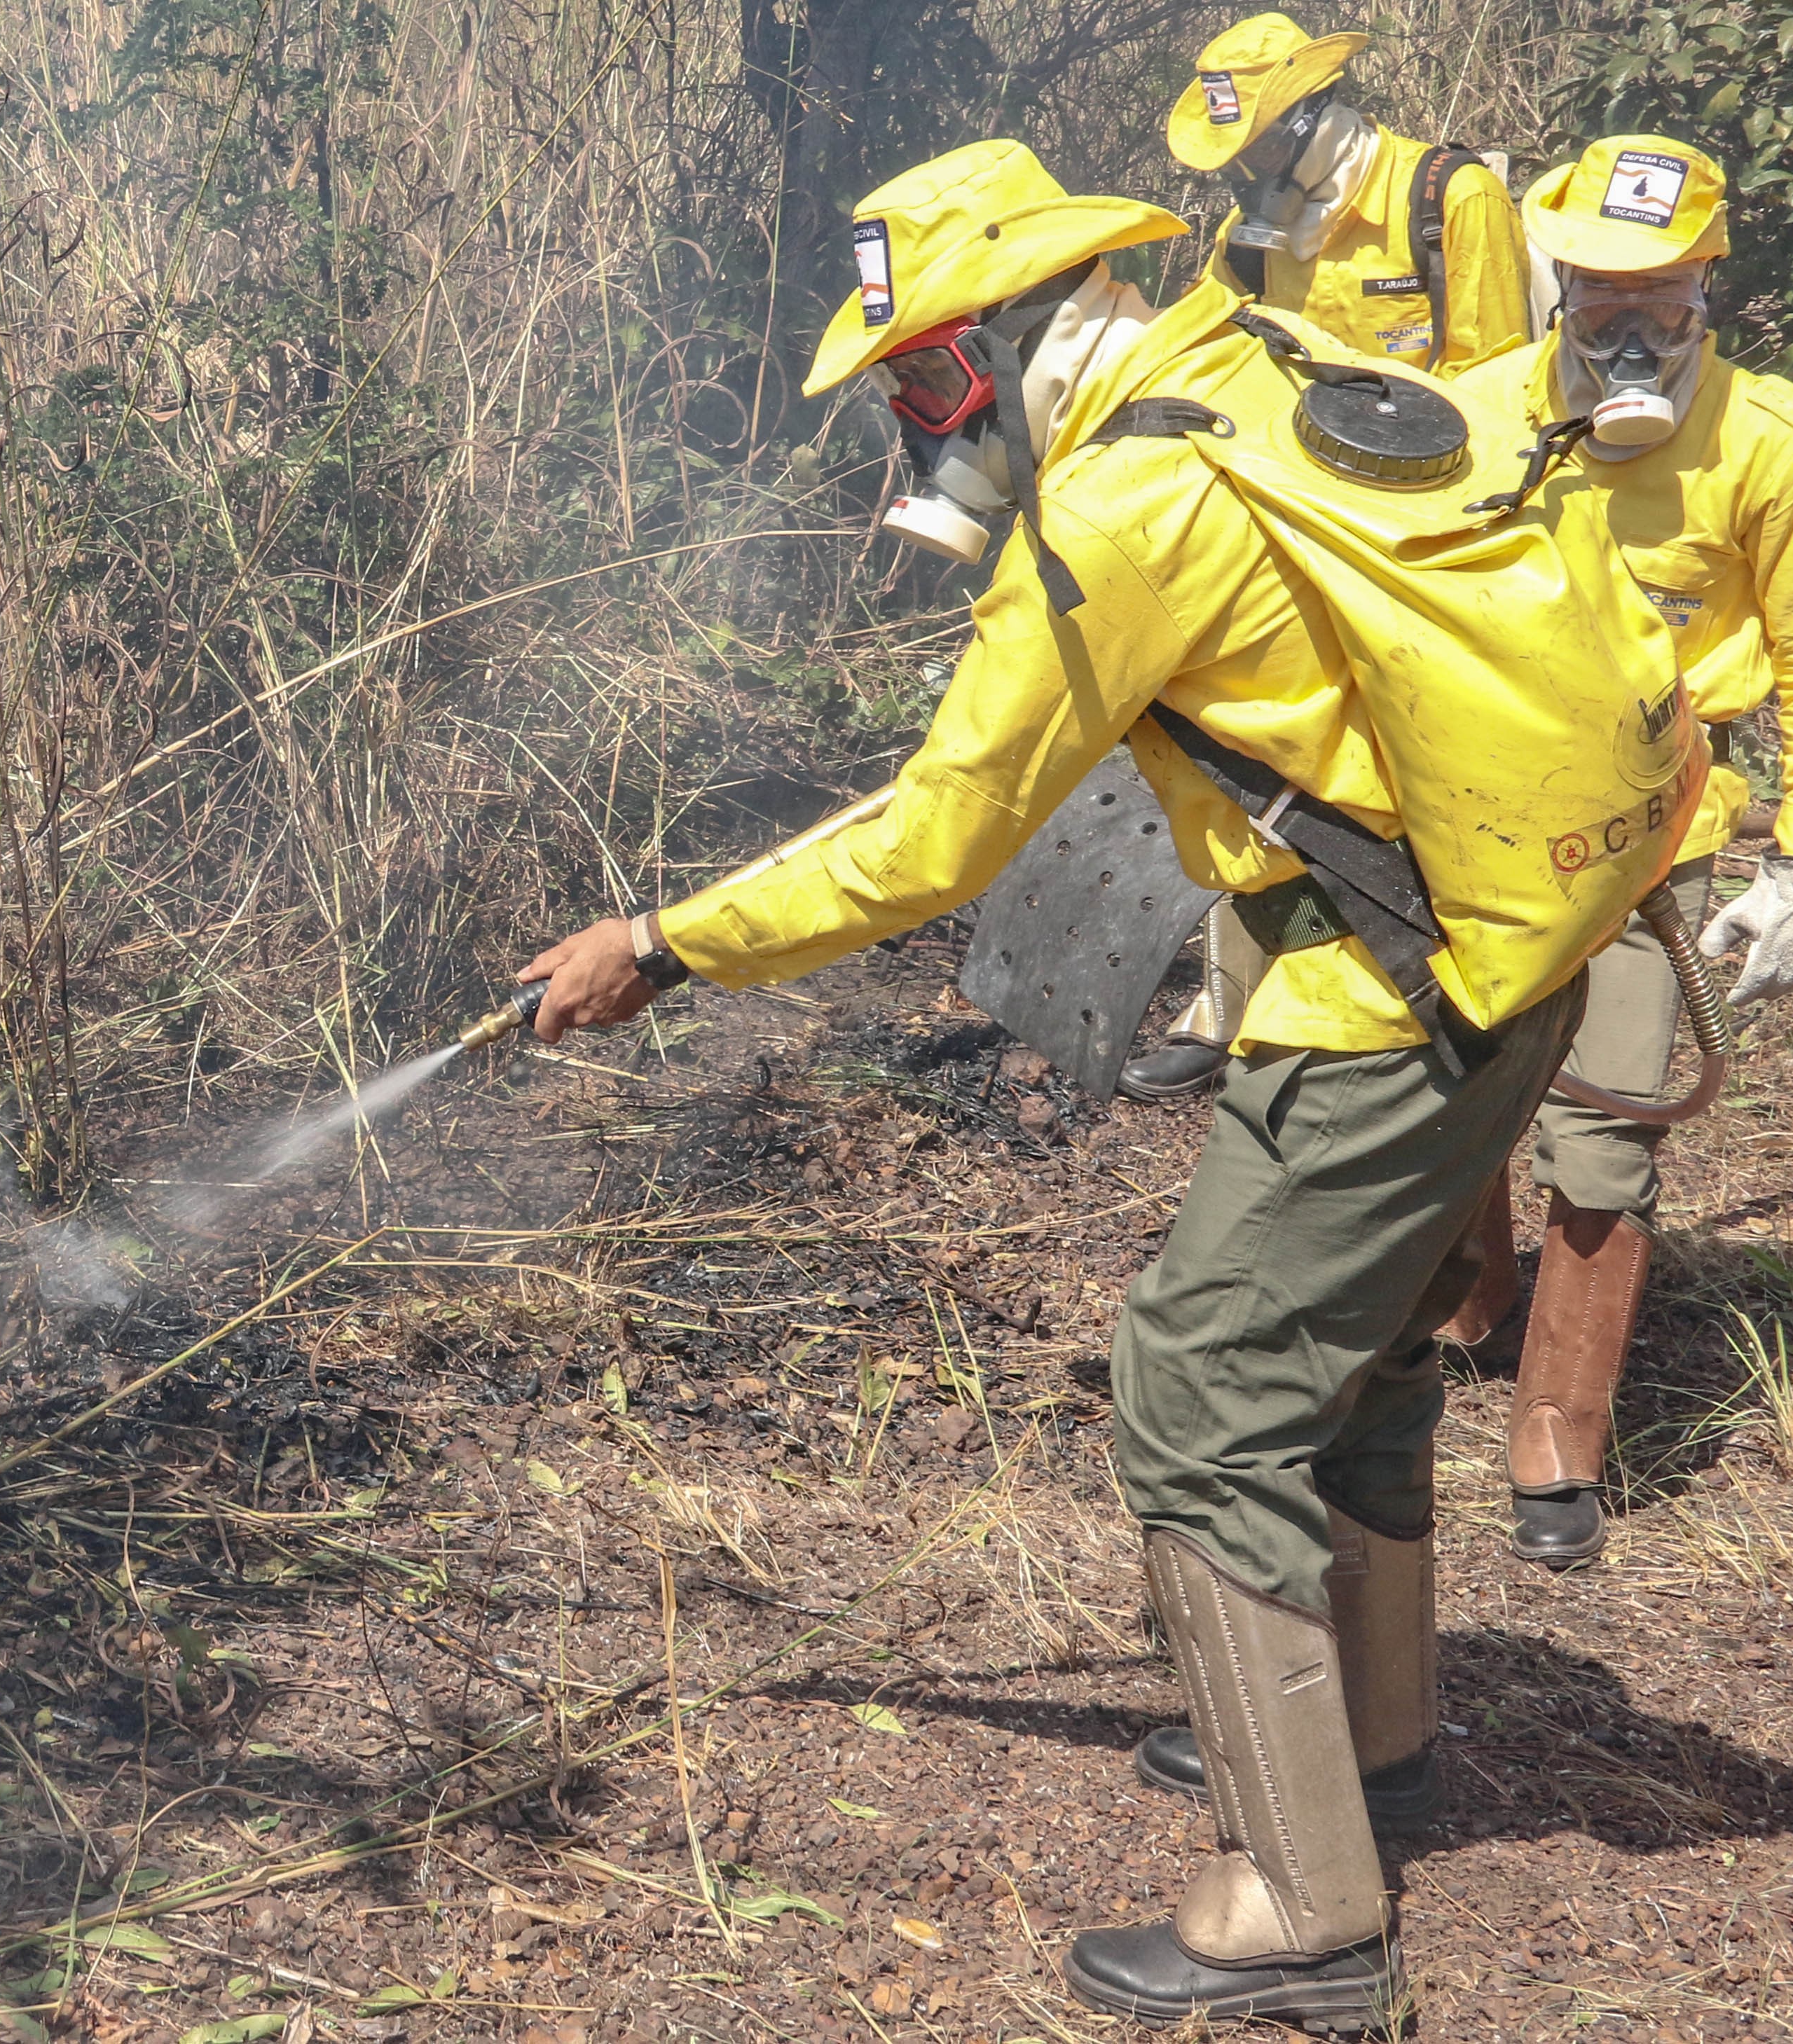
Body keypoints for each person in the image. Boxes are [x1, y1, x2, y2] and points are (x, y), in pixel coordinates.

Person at [517, 141, 1701, 2029]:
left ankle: (1303, 1902)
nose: (914, 428)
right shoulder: (1266, 355)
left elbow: (928, 842)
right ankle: (1371, 1746)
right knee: (1368, 1349)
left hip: (1390, 1004)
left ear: (997, 341)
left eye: (917, 381)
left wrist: (662, 944)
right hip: (1521, 955)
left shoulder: (1124, 511)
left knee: (1200, 1389)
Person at [1433, 136, 1793, 1566]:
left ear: (1710, 287)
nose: (1629, 328)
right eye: (1599, 295)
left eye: (1663, 297)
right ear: (1557, 283)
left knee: (1610, 1131)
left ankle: (1557, 1432)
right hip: (1472, 819)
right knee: (1448, 1088)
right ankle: (1477, 1309)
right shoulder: (1476, 409)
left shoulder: (1769, 437)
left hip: (1647, 838)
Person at [1122, 11, 1533, 1103]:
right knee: (1248, 773)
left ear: (1311, 113)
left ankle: (1426, 979)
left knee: (1401, 785)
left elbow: (1501, 390)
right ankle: (1238, 994)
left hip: (1416, 544)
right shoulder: (1246, 234)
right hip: (1286, 539)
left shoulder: (1443, 199)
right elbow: (1209, 367)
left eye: (1258, 146)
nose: (1246, 171)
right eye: (1236, 155)